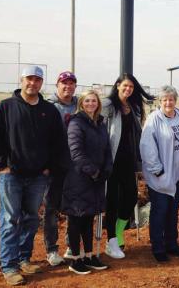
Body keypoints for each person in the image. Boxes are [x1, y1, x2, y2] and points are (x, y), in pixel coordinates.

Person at [0, 66, 67, 286]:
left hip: (38, 176)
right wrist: (1, 165)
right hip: (11, 175)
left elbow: (57, 142)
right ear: (21, 80)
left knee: (31, 218)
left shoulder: (48, 111)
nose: (33, 83)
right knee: (10, 220)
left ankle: (24, 258)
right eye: (29, 79)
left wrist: (49, 166)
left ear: (42, 83)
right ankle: (9, 265)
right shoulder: (6, 107)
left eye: (37, 79)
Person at [102, 73, 154, 259]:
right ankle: (112, 240)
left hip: (128, 161)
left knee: (131, 197)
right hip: (111, 161)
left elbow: (137, 134)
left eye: (131, 87)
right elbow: (100, 130)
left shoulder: (134, 107)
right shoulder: (108, 105)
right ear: (117, 86)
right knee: (112, 201)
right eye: (125, 86)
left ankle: (118, 229)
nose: (128, 89)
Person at [62, 90, 112, 274]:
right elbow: (76, 152)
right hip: (79, 179)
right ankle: (75, 259)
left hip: (96, 180)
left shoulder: (100, 123)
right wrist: (94, 171)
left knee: (89, 218)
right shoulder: (76, 122)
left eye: (94, 101)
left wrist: (107, 169)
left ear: (98, 104)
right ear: (82, 103)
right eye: (87, 101)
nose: (91, 103)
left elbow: (107, 149)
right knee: (76, 218)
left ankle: (89, 255)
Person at [140, 85, 179, 262]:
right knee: (159, 212)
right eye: (165, 100)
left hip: (178, 176)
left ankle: (172, 244)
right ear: (160, 102)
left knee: (173, 212)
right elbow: (147, 146)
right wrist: (157, 169)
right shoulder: (154, 119)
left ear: (175, 100)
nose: (168, 102)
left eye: (171, 99)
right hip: (161, 176)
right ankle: (158, 247)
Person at [44, 71, 78, 266]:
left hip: (75, 165)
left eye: (72, 83)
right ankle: (51, 249)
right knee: (51, 207)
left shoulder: (79, 105)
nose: (68, 86)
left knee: (74, 206)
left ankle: (71, 244)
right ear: (57, 85)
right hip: (54, 165)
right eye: (64, 83)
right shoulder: (49, 107)